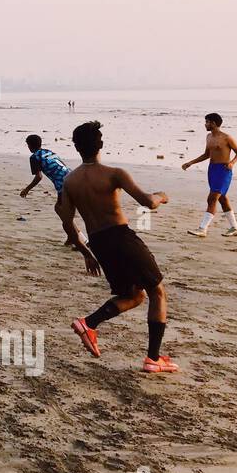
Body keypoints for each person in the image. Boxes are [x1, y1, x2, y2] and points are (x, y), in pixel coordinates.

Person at [58, 121, 177, 373]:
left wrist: (85, 252)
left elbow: (66, 221)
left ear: (76, 147)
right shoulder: (114, 173)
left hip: (98, 243)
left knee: (134, 295)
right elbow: (147, 202)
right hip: (121, 238)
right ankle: (153, 359)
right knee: (157, 291)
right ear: (100, 144)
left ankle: (88, 323)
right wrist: (161, 196)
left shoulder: (70, 181)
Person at [182, 112, 237, 237]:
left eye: (207, 122)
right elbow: (206, 155)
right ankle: (235, 228)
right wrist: (191, 162)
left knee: (212, 198)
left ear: (213, 123)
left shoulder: (227, 138)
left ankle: (202, 229)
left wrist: (232, 163)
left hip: (224, 170)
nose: (205, 124)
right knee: (222, 199)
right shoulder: (209, 137)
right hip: (212, 169)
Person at [20, 134, 81, 246]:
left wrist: (27, 189)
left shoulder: (34, 157)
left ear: (29, 146)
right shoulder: (48, 151)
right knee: (63, 210)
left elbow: (39, 177)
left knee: (60, 209)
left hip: (63, 184)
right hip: (72, 177)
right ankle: (72, 236)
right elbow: (63, 165)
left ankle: (77, 236)